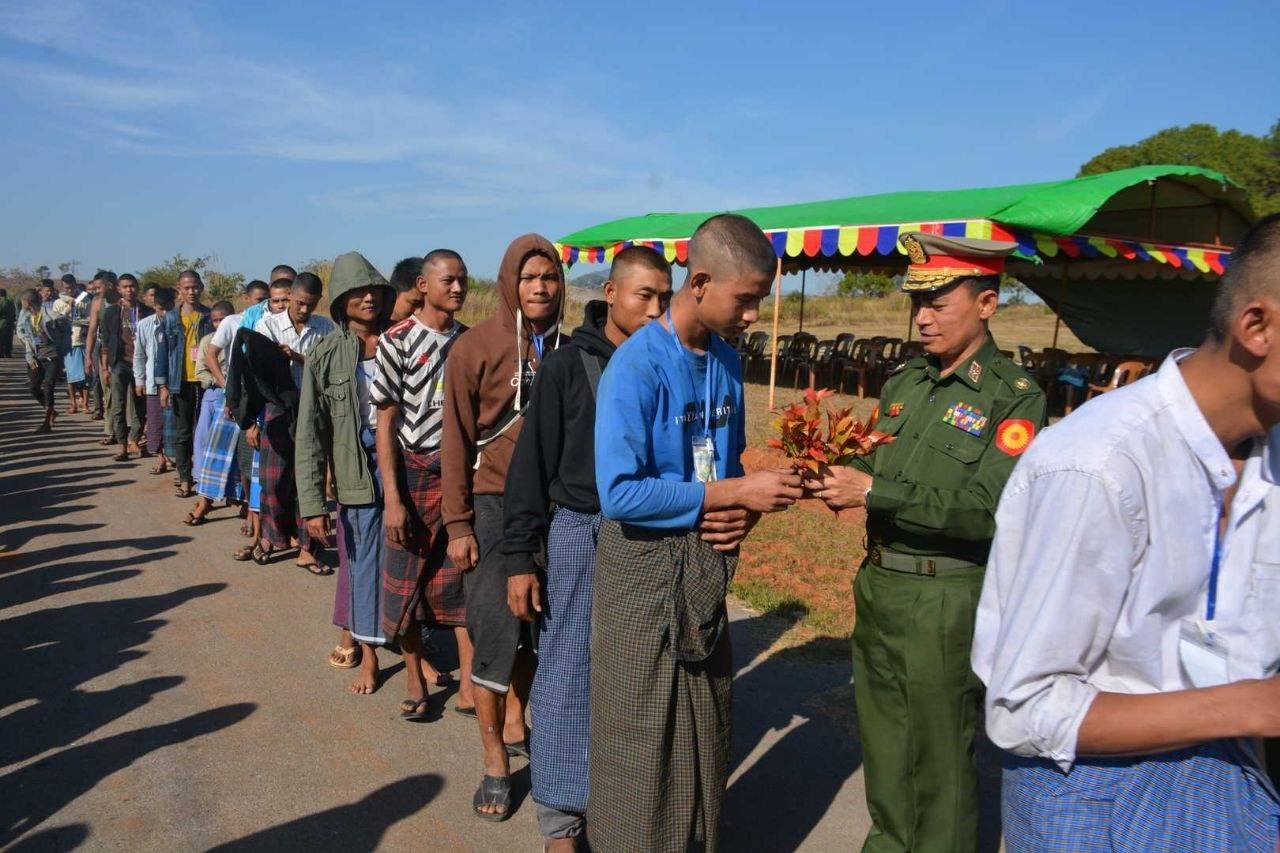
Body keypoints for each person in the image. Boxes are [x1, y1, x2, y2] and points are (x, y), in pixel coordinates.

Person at [973, 213, 1280, 853]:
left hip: (1237, 783)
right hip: (1091, 804)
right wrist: (1255, 707)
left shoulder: (1267, 457)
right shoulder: (1096, 465)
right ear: (1257, 326)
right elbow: (1024, 707)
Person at [812, 232, 1047, 852]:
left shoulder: (1012, 396)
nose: (922, 317)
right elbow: (875, 470)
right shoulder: (905, 384)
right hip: (881, 583)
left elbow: (988, 512)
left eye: (939, 301)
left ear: (988, 304)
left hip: (944, 598)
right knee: (887, 752)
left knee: (939, 765)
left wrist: (873, 494)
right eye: (918, 302)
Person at [588, 214, 803, 851]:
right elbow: (620, 494)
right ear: (701, 281)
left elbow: (725, 470)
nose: (753, 315)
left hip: (703, 571)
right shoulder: (636, 366)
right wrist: (730, 492)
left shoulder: (729, 366)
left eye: (759, 302)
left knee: (706, 732)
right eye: (746, 300)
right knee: (639, 740)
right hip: (641, 576)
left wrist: (752, 505)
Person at [503, 245, 672, 849]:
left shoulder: (671, 366)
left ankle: (623, 811)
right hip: (582, 534)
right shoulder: (568, 367)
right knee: (567, 678)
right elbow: (530, 466)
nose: (655, 310)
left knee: (639, 681)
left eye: (664, 298)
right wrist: (520, 559)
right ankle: (561, 824)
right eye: (642, 296)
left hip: (651, 539)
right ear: (611, 295)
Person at [441, 233, 565, 821]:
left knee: (541, 630)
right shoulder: (476, 348)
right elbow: (456, 439)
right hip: (490, 507)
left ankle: (520, 719)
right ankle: (495, 762)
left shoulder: (571, 350)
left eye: (549, 277)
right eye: (529, 277)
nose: (540, 287)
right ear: (509, 282)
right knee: (492, 634)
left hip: (554, 511)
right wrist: (457, 522)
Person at [373, 250, 471, 714]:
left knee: (462, 579)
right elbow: (385, 423)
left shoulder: (470, 343)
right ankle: (415, 680)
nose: (457, 288)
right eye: (448, 280)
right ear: (423, 284)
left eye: (462, 280)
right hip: (411, 475)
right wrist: (393, 498)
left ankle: (471, 687)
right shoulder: (395, 341)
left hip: (458, 474)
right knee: (405, 584)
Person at [295, 252, 396, 694]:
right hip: (357, 472)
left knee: (407, 559)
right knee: (363, 566)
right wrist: (313, 505)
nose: (368, 297)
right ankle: (370, 657)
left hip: (405, 466)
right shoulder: (324, 356)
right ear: (340, 301)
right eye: (357, 292)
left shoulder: (402, 341)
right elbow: (310, 438)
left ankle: (414, 652)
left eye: (374, 289)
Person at [250, 271, 335, 568]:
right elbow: (254, 373)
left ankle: (308, 548)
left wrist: (298, 358)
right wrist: (251, 419)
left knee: (307, 481)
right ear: (290, 297)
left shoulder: (326, 328)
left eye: (310, 305)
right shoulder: (267, 326)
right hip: (277, 410)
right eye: (299, 303)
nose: (304, 310)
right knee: (273, 480)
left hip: (312, 411)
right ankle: (273, 537)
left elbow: (331, 368)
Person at [185, 285, 269, 527]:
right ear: (247, 299)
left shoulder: (272, 322)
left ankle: (250, 510)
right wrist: (226, 387)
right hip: (234, 394)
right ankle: (204, 501)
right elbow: (212, 354)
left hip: (260, 397)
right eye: (259, 299)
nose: (263, 305)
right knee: (218, 451)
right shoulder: (233, 321)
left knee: (249, 458)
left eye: (266, 300)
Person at [229, 275, 293, 559]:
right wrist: (253, 421)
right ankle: (260, 538)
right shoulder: (260, 328)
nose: (281, 305)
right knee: (264, 479)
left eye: (286, 299)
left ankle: (289, 536)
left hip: (295, 411)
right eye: (275, 300)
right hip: (267, 412)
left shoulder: (314, 327)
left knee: (291, 480)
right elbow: (252, 381)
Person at [155, 270, 213, 498]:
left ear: (201, 287)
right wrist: (163, 385)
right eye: (186, 287)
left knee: (205, 431)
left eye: (195, 287)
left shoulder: (209, 316)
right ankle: (185, 478)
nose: (192, 292)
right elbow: (162, 354)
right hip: (180, 383)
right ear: (179, 289)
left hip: (206, 382)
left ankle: (205, 478)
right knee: (183, 433)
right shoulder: (171, 318)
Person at [100, 274, 152, 461]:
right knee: (118, 405)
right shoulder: (111, 312)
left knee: (141, 405)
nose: (129, 289)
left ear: (137, 288)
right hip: (119, 363)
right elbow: (105, 342)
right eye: (125, 286)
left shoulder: (146, 311)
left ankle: (135, 439)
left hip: (142, 364)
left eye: (132, 286)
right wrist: (105, 368)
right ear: (119, 289)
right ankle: (122, 445)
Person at [18, 287, 71, 432]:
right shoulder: (26, 317)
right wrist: (29, 354)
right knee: (34, 387)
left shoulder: (51, 315)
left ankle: (47, 422)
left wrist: (64, 351)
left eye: (23, 302)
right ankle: (51, 410)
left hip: (52, 356)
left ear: (27, 302)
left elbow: (66, 327)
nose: (22, 305)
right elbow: (24, 335)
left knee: (48, 387)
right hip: (35, 356)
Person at [135, 287, 174, 475]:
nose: (164, 312)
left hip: (175, 382)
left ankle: (174, 456)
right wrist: (139, 380)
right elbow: (139, 355)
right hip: (152, 382)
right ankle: (160, 456)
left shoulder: (178, 323)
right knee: (156, 420)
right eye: (160, 308)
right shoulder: (144, 325)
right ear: (154, 306)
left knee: (175, 421)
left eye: (168, 307)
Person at [51, 274, 90, 414]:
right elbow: (55, 322)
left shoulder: (85, 299)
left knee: (85, 375)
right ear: (62, 287)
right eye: (66, 288)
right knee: (71, 376)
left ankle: (85, 402)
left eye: (72, 287)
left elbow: (90, 319)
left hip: (82, 340)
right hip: (67, 343)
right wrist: (68, 309)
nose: (69, 291)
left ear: (76, 285)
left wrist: (79, 318)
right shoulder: (58, 302)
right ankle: (73, 403)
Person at [0, 286, 15, 358]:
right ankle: (8, 353)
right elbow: (14, 313)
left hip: (2, 324)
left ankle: (1, 354)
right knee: (9, 339)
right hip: (10, 324)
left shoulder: (1, 302)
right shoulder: (11, 302)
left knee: (1, 340)